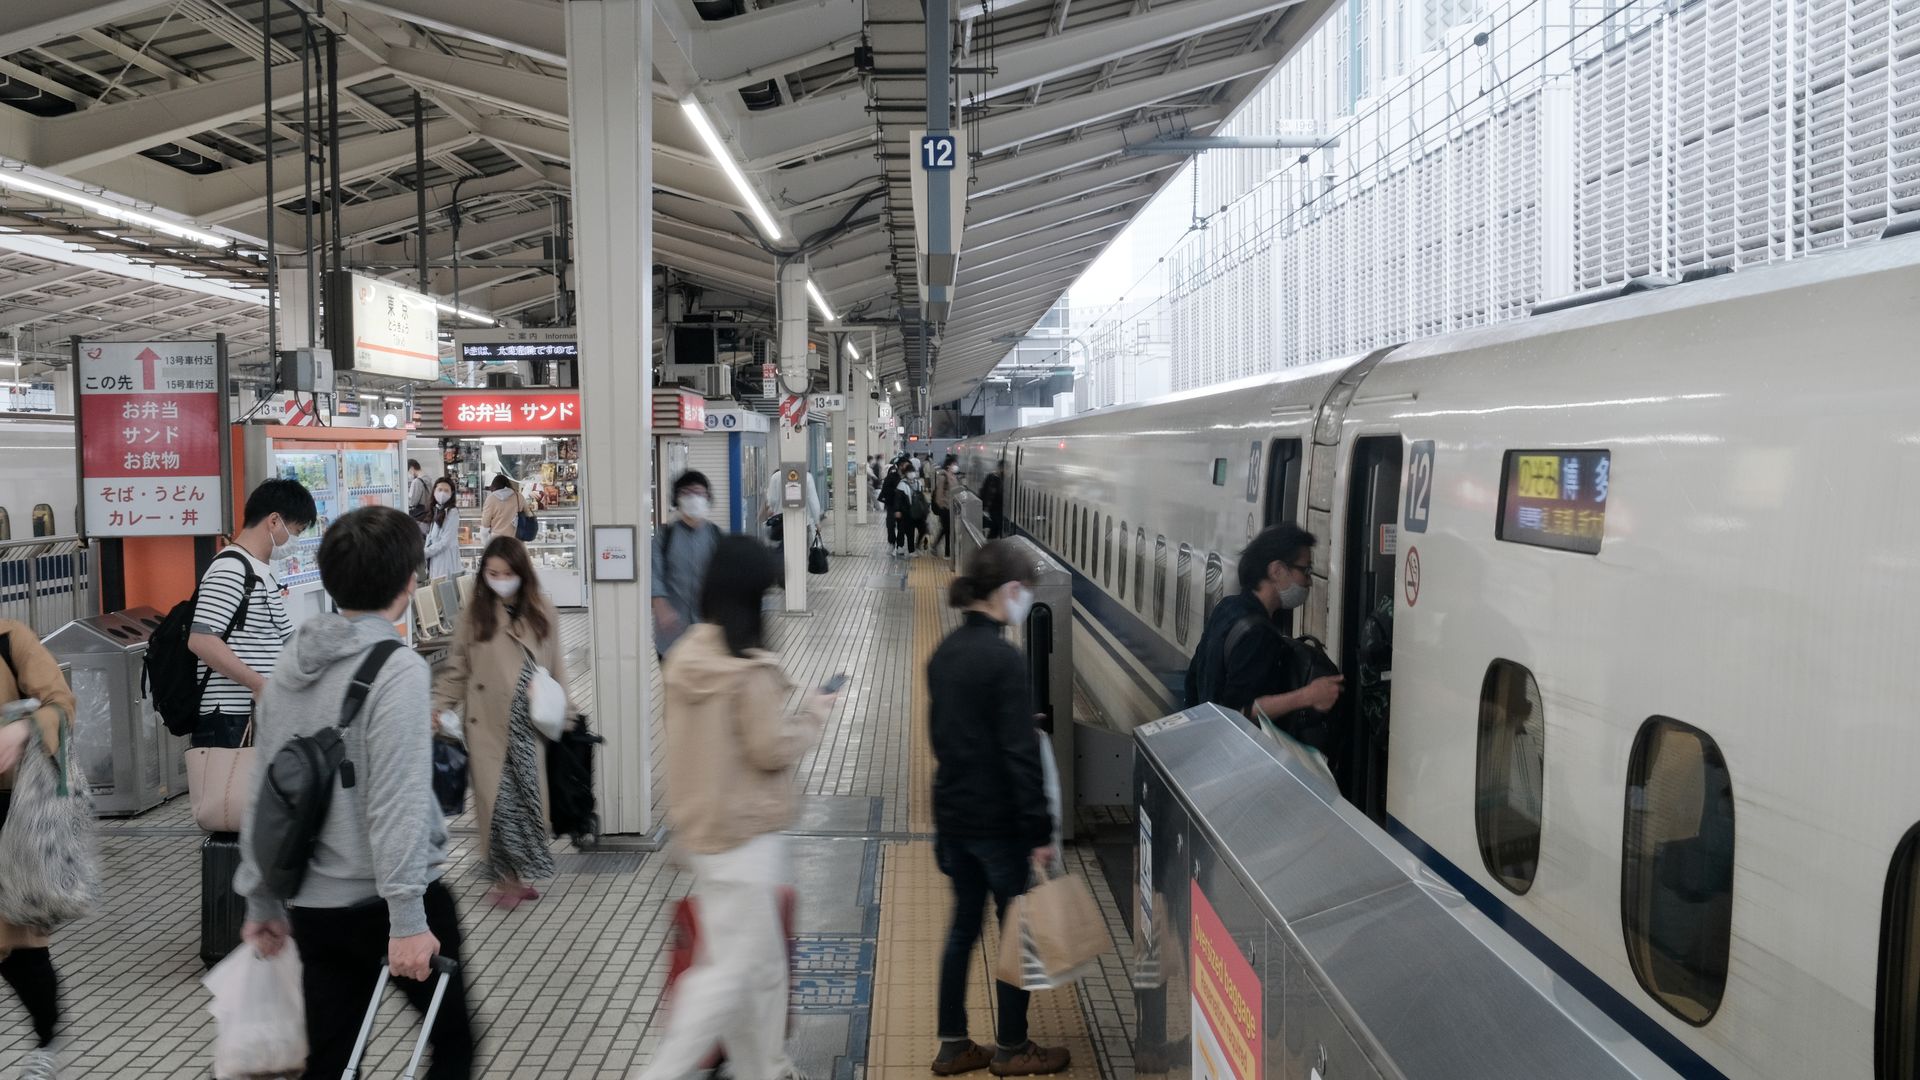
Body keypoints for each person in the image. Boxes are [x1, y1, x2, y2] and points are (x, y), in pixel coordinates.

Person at [234, 506, 474, 1080]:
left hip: (314, 906)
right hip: (388, 903)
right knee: (454, 1049)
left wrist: (262, 900)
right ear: (409, 582)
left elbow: (265, 793)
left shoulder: (292, 662)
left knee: (333, 1062)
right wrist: (409, 920)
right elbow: (396, 803)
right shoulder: (396, 670)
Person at [643, 535, 833, 1080]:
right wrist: (814, 714)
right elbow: (770, 749)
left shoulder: (688, 656)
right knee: (726, 975)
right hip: (746, 837)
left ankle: (766, 1067)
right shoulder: (747, 673)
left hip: (705, 833)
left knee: (763, 967)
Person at [926, 541, 1071, 1077]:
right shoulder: (1005, 660)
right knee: (1015, 931)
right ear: (1010, 592)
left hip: (955, 816)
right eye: (1024, 592)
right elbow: (1019, 756)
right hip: (999, 823)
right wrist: (1039, 829)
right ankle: (1012, 1047)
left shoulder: (946, 653)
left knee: (962, 929)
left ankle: (953, 1044)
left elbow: (950, 737)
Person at [433, 536, 575, 910]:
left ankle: (519, 872)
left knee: (527, 801)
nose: (499, 579)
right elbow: (458, 668)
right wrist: (439, 704)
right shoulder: (474, 613)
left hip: (531, 724)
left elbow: (557, 665)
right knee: (498, 805)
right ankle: (505, 879)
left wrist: (568, 712)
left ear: (521, 573)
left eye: (507, 573)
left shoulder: (543, 609)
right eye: (492, 573)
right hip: (487, 725)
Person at [0, 620, 79, 1080]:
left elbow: (62, 704)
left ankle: (47, 1040)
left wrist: (23, 729)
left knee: (20, 948)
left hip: (13, 816)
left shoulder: (11, 639)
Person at [1185, 524, 1344, 746]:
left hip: (1209, 741)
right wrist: (1308, 696)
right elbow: (1238, 712)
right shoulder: (1258, 635)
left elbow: (1193, 678)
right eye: (1305, 571)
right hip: (1235, 752)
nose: (1308, 581)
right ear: (1277, 570)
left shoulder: (1227, 607)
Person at [187, 478, 315, 749]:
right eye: (296, 530)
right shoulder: (231, 569)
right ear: (274, 521)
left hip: (252, 715)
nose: (296, 540)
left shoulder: (258, 571)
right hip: (231, 718)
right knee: (233, 791)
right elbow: (201, 640)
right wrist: (260, 685)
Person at [653, 471, 721, 657]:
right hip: (671, 636)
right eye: (687, 492)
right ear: (677, 498)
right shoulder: (664, 536)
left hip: (709, 633)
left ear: (708, 498)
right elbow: (654, 575)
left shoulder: (717, 535)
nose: (694, 498)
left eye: (699, 493)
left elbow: (727, 578)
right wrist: (661, 607)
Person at [423, 476, 463, 581]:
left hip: (446, 563)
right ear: (434, 491)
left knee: (443, 592)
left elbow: (445, 542)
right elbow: (431, 538)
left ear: (451, 493)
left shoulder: (452, 512)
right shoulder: (436, 510)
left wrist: (425, 553)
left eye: (446, 490)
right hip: (434, 561)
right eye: (440, 490)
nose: (442, 493)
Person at [932, 455, 959, 558]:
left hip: (951, 508)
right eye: (954, 464)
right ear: (948, 465)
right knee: (948, 530)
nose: (956, 466)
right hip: (945, 508)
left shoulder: (953, 476)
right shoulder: (943, 476)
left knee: (946, 530)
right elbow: (939, 493)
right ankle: (948, 553)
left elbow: (955, 490)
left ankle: (935, 546)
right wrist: (941, 506)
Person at [480, 474, 523, 540]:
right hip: (515, 539)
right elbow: (526, 513)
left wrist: (485, 541)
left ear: (494, 485)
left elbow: (485, 523)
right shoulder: (518, 496)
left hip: (496, 539)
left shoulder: (491, 498)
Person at [880, 463, 904, 554]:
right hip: (891, 504)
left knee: (902, 526)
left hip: (903, 506)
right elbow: (885, 489)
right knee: (890, 525)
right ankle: (892, 542)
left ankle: (900, 545)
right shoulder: (891, 476)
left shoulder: (907, 477)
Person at [980, 462, 1005, 540]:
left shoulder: (992, 477)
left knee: (993, 532)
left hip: (992, 510)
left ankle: (989, 547)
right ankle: (989, 548)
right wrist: (986, 508)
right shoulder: (995, 479)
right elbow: (991, 494)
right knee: (994, 531)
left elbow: (983, 492)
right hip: (994, 511)